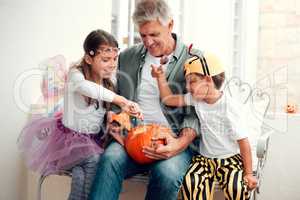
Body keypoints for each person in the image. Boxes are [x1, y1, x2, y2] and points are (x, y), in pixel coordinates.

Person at [89, 1, 201, 200]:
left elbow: (198, 111)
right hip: (133, 135)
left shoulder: (192, 59)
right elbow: (118, 98)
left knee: (167, 173)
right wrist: (115, 120)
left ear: (170, 25)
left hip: (173, 138)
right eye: (143, 35)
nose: (148, 42)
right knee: (110, 158)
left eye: (154, 34)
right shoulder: (128, 57)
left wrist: (179, 144)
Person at [18, 29, 142, 200]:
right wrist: (121, 100)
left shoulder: (108, 81)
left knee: (80, 176)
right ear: (89, 59)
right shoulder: (76, 75)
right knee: (94, 161)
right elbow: (87, 88)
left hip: (93, 139)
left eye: (114, 59)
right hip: (68, 143)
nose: (112, 65)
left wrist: (112, 116)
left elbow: (103, 109)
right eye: (105, 60)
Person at [151, 50, 258, 200]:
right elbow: (168, 99)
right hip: (204, 158)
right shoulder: (196, 99)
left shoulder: (229, 107)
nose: (187, 87)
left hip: (229, 158)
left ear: (208, 80)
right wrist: (160, 77)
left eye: (192, 81)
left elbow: (243, 142)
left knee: (237, 187)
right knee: (191, 182)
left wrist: (248, 173)